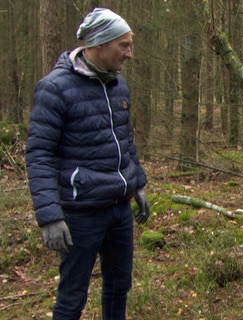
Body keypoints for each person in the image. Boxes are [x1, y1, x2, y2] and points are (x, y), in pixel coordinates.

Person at [25, 8, 150, 320]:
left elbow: (125, 139)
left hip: (119, 209)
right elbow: (39, 155)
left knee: (119, 287)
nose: (129, 54)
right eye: (123, 45)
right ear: (100, 44)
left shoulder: (118, 85)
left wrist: (139, 184)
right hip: (81, 214)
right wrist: (50, 217)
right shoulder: (54, 88)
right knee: (71, 300)